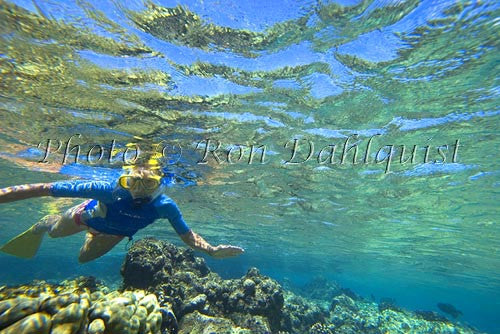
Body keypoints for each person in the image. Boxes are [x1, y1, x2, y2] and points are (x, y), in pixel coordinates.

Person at [0, 164, 244, 262]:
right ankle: (44, 222)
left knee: (82, 259)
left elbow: (187, 235)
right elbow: (43, 188)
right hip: (84, 216)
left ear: (161, 184)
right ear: (123, 181)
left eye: (148, 185)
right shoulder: (107, 190)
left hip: (113, 234)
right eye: (131, 183)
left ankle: (92, 237)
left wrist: (211, 250)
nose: (138, 192)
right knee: (53, 233)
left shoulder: (165, 206)